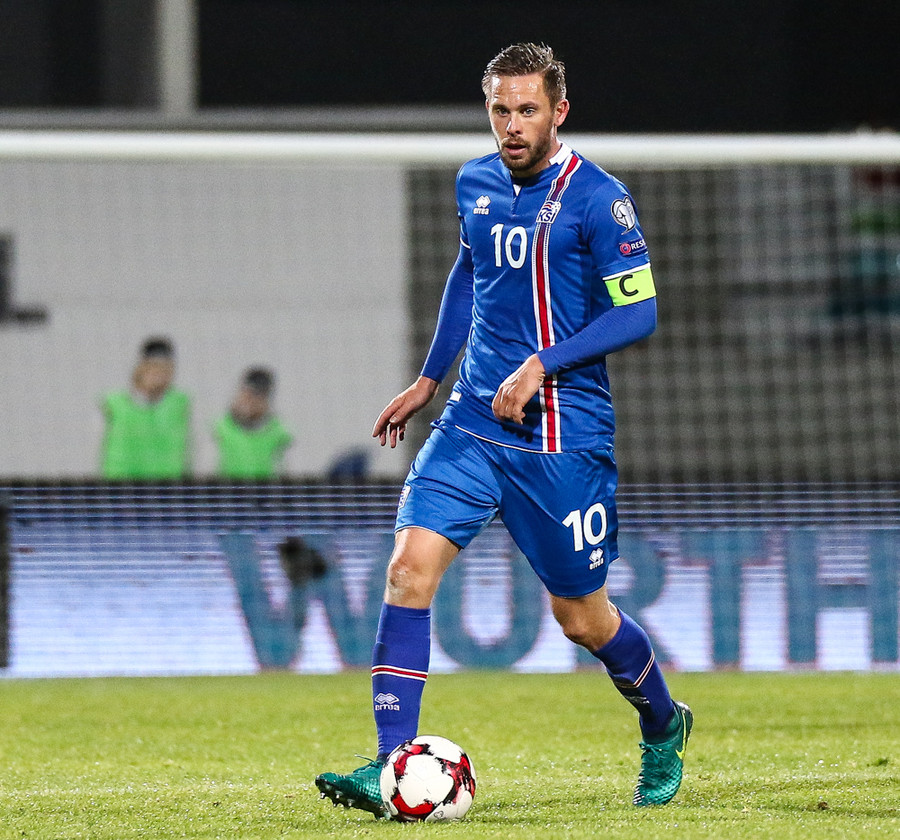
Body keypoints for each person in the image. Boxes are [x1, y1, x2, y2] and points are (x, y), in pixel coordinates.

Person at [315, 42, 691, 815]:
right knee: (407, 571)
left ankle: (663, 722)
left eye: (527, 109)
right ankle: (389, 768)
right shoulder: (475, 182)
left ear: (559, 111)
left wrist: (543, 363)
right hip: (472, 423)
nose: (512, 125)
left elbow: (640, 311)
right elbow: (470, 273)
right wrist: (430, 377)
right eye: (499, 109)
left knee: (581, 618)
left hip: (560, 436)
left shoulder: (600, 200)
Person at [100, 336, 191, 480]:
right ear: (140, 368)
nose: (159, 375)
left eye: (166, 369)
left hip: (167, 489)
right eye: (154, 367)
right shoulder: (113, 405)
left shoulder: (180, 405)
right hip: (121, 488)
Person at [214, 367, 293, 479]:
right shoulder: (219, 429)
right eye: (247, 394)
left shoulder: (280, 433)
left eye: (258, 396)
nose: (251, 402)